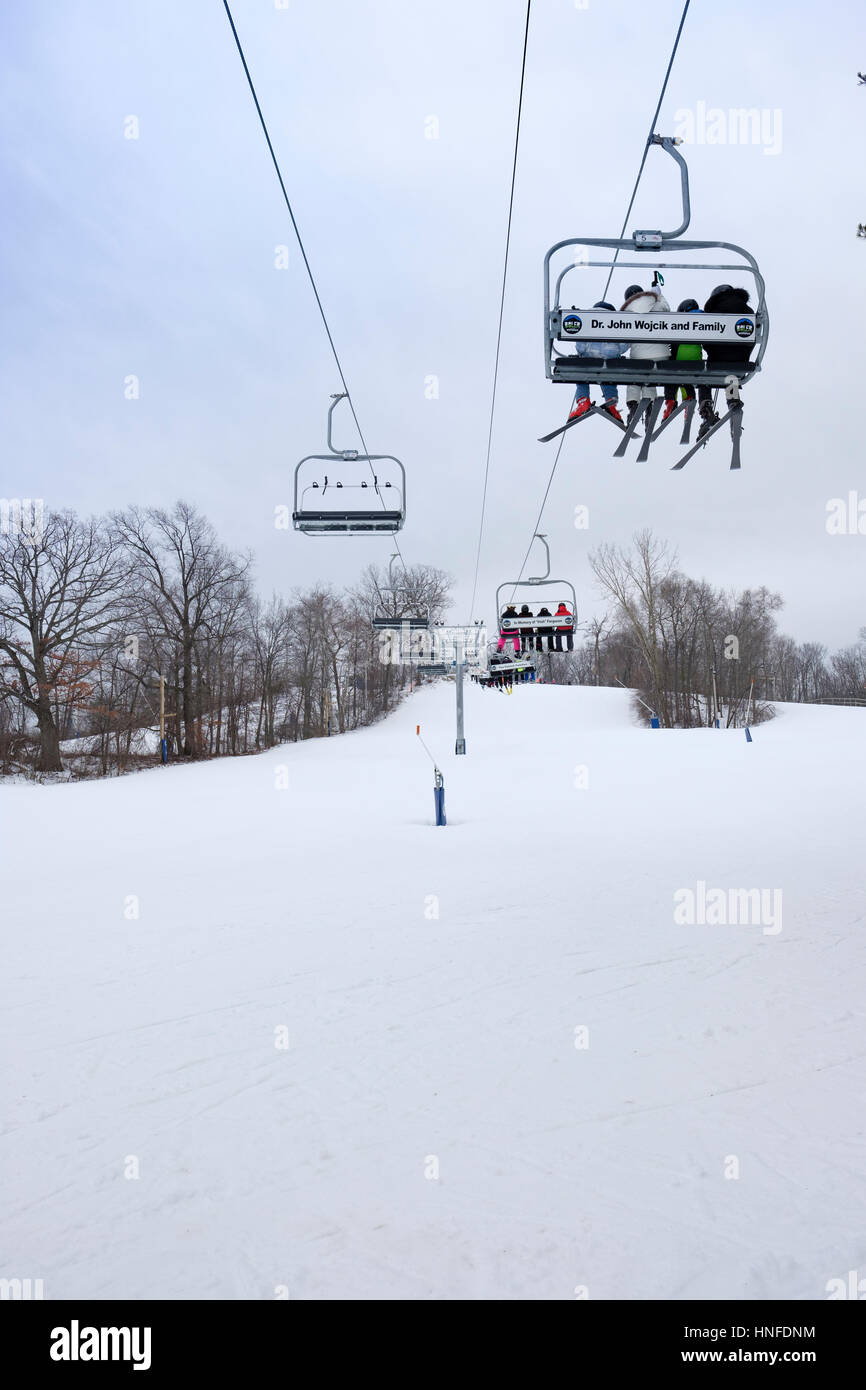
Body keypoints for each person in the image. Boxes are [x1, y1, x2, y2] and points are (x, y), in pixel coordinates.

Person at [697, 284, 756, 439]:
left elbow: (705, 340)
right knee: (731, 376)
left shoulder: (713, 313)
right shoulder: (748, 311)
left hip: (717, 360)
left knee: (703, 376)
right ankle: (733, 402)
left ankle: (706, 408)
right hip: (740, 362)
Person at [567, 301, 629, 423]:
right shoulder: (617, 323)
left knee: (581, 375)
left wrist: (582, 353)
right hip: (609, 361)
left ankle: (583, 401)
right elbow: (624, 347)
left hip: (589, 361)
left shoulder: (588, 322)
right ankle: (611, 402)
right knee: (609, 376)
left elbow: (580, 347)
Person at [620, 282, 671, 426]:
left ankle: (633, 405)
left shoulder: (627, 311)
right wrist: (659, 295)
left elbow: (624, 338)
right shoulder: (657, 304)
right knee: (649, 375)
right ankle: (650, 406)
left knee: (635, 374)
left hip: (639, 357)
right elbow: (667, 309)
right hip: (662, 355)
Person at [662, 297, 702, 420]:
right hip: (695, 360)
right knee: (687, 378)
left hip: (679, 358)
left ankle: (670, 401)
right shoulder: (705, 318)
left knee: (672, 374)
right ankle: (689, 399)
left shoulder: (679, 321)